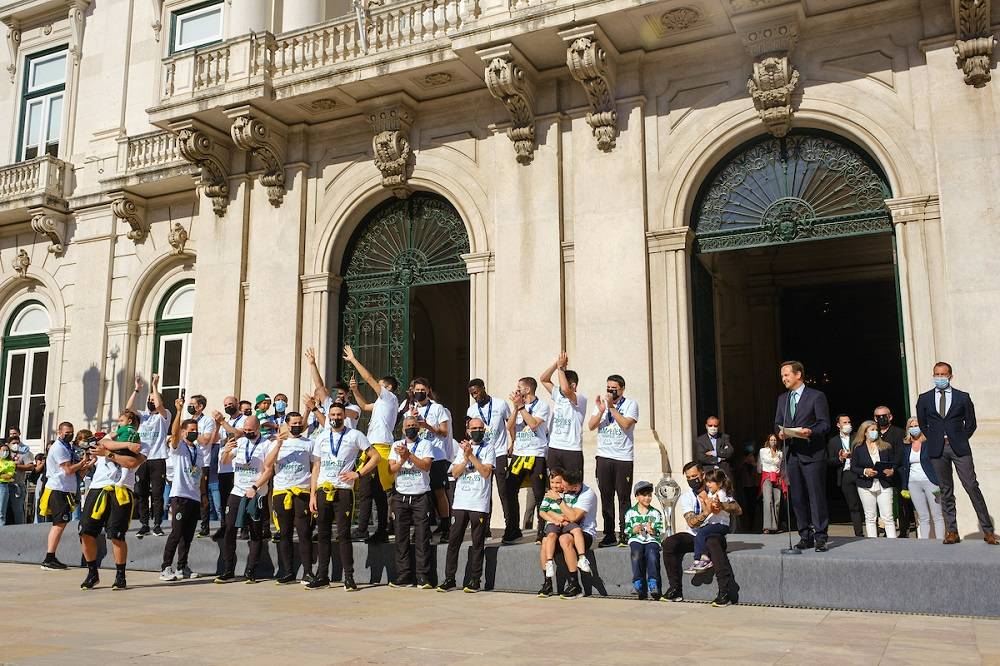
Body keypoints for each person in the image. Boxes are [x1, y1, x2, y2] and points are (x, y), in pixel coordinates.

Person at [916, 362, 996, 545]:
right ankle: (952, 531)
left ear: (950, 376)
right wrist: (935, 438)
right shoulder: (925, 398)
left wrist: (959, 438)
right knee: (946, 490)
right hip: (938, 449)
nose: (940, 377)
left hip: (959, 448)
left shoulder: (962, 397)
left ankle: (988, 530)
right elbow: (923, 423)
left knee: (971, 485)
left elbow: (971, 423)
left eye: (943, 374)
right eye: (937, 374)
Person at [308, 403, 380, 591]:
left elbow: (375, 457)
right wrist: (312, 495)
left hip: (343, 491)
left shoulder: (355, 435)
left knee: (343, 534)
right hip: (324, 489)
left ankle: (349, 576)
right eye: (332, 414)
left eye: (339, 414)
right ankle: (322, 575)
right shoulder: (322, 437)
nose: (335, 417)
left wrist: (358, 473)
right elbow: (316, 466)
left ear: (344, 416)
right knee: (323, 534)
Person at [78, 411, 146, 590]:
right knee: (85, 531)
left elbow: (131, 463)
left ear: (131, 423)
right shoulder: (114, 437)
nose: (118, 424)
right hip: (98, 488)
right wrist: (123, 446)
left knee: (116, 535)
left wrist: (109, 454)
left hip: (121, 491)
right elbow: (103, 443)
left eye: (121, 421)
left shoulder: (142, 443)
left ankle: (120, 576)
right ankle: (92, 572)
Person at [661, 462, 740, 607]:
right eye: (688, 477)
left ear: (703, 475)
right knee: (669, 543)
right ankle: (675, 589)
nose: (692, 480)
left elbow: (737, 508)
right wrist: (706, 511)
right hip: (693, 535)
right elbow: (691, 522)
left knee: (713, 542)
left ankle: (724, 592)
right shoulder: (686, 497)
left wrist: (722, 506)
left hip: (713, 532)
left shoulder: (716, 489)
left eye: (695, 476)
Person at [343, 344, 399, 544]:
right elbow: (364, 406)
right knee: (367, 489)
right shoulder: (381, 403)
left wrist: (353, 360)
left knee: (380, 491)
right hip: (371, 448)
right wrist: (356, 390)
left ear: (389, 387)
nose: (378, 386)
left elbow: (368, 378)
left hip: (382, 449)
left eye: (381, 384)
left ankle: (379, 528)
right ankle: (363, 528)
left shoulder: (390, 398)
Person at [773, 360, 831, 551]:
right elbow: (777, 423)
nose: (784, 379)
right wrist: (779, 433)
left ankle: (820, 536)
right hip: (792, 454)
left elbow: (824, 424)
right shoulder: (783, 399)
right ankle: (804, 535)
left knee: (815, 495)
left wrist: (810, 431)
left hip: (812, 453)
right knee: (797, 497)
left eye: (787, 375)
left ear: (798, 375)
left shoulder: (816, 396)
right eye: (782, 376)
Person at [437, 417, 495, 593]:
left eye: (480, 428)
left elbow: (485, 472)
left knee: (478, 543)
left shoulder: (488, 448)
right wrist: (464, 457)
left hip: (479, 503)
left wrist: (471, 456)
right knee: (454, 541)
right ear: (468, 430)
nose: (477, 431)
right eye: (474, 428)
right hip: (461, 502)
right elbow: (454, 473)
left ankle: (475, 580)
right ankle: (449, 578)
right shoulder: (461, 449)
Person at [216, 415, 274, 583]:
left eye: (251, 430)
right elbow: (225, 461)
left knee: (255, 532)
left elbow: (268, 471)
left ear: (258, 429)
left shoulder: (267, 445)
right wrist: (226, 451)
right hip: (237, 491)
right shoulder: (240, 442)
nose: (247, 433)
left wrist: (255, 488)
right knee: (229, 529)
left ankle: (251, 570)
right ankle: (228, 569)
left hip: (256, 493)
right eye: (245, 430)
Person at [160, 403, 211, 581]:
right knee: (176, 532)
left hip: (194, 496)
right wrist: (179, 411)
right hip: (180, 495)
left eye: (196, 430)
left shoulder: (198, 450)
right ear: (183, 432)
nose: (194, 432)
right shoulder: (179, 447)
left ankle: (182, 567)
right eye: (191, 429)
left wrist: (203, 495)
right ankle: (166, 567)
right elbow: (174, 434)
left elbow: (201, 475)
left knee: (187, 535)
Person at [587, 373, 639, 548]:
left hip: (623, 457)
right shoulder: (602, 404)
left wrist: (611, 408)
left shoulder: (631, 404)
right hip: (604, 457)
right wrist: (602, 410)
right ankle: (609, 534)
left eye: (613, 389)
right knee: (606, 496)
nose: (609, 391)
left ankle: (625, 532)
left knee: (623, 497)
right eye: (608, 388)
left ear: (622, 389)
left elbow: (626, 424)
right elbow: (591, 426)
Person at [265, 412, 314, 584]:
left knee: (304, 532)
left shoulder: (309, 443)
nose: (297, 426)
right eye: (293, 423)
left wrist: (313, 492)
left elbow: (315, 466)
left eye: (299, 423)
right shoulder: (276, 442)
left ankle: (308, 571)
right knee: (284, 533)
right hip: (281, 492)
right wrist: (278, 444)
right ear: (286, 424)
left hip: (302, 491)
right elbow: (267, 464)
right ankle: (287, 571)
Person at [387, 415, 435, 589]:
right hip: (400, 496)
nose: (411, 428)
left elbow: (426, 466)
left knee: (422, 537)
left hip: (420, 495)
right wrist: (401, 459)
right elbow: (391, 469)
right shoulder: (396, 445)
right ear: (402, 429)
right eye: (408, 426)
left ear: (419, 428)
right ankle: (404, 575)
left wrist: (409, 455)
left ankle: (423, 576)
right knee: (401, 537)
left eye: (414, 425)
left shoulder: (425, 445)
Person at [536, 468, 598, 599]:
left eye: (564, 485)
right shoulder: (563, 492)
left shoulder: (587, 494)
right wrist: (553, 515)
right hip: (561, 526)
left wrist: (558, 501)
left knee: (565, 539)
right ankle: (547, 582)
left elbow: (573, 517)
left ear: (575, 487)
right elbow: (546, 510)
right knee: (546, 541)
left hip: (583, 532)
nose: (561, 487)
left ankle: (575, 584)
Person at [503, 377, 551, 544]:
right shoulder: (518, 406)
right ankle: (513, 528)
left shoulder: (542, 406)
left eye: (520, 388)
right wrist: (516, 408)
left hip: (535, 454)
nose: (517, 390)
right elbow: (509, 427)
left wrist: (522, 407)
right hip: (519, 454)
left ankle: (542, 529)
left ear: (528, 389)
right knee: (509, 491)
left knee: (539, 493)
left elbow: (533, 424)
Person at [39, 422, 91, 570]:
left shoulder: (67, 447)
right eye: (67, 432)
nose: (70, 434)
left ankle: (51, 557)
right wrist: (82, 462)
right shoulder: (59, 447)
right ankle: (49, 558)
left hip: (66, 489)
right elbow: (68, 470)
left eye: (71, 432)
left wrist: (87, 464)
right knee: (59, 524)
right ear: (59, 432)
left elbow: (75, 473)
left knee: (60, 524)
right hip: (57, 490)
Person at [406, 377, 452, 543]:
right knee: (422, 493)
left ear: (428, 390)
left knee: (439, 491)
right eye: (416, 390)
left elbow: (444, 431)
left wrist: (426, 425)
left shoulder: (438, 408)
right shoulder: (411, 410)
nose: (419, 392)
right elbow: (408, 431)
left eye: (422, 390)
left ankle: (446, 527)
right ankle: (422, 529)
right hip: (418, 455)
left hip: (437, 455)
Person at [126, 374, 171, 539]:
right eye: (149, 399)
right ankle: (144, 524)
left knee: (157, 494)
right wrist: (137, 390)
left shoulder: (164, 415)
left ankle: (157, 524)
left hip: (158, 458)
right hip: (142, 459)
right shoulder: (143, 416)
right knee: (142, 493)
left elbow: (159, 405)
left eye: (153, 399)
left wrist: (154, 386)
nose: (151, 401)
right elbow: (128, 408)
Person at [466, 379, 511, 530]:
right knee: (485, 491)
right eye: (472, 394)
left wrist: (514, 443)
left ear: (483, 388)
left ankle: (509, 526)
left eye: (476, 392)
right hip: (483, 454)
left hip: (499, 452)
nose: (475, 396)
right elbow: (469, 432)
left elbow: (510, 425)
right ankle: (485, 528)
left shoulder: (500, 404)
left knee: (504, 491)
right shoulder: (471, 410)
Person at [850, 420, 901, 538]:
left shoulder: (886, 446)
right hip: (866, 485)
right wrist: (865, 471)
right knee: (870, 517)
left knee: (888, 516)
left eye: (876, 430)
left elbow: (893, 463)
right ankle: (873, 544)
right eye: (872, 430)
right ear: (865, 433)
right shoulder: (858, 448)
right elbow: (853, 467)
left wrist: (892, 470)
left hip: (884, 483)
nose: (875, 432)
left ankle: (893, 543)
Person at [540, 352, 587, 476]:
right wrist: (556, 365)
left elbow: (566, 390)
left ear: (573, 385)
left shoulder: (580, 398)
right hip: (554, 447)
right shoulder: (558, 394)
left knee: (572, 486)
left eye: (562, 384)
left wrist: (561, 369)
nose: (559, 388)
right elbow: (544, 379)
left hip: (571, 450)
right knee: (554, 485)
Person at [899, 416, 945, 540]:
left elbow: (938, 463)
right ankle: (924, 543)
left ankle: (940, 542)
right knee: (923, 516)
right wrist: (905, 486)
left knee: (937, 515)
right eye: (911, 426)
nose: (914, 428)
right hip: (913, 484)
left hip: (931, 482)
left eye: (916, 426)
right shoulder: (906, 446)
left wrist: (939, 483)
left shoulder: (929, 443)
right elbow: (904, 467)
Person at [874, 405, 912, 537]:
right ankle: (883, 528)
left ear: (890, 417)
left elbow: (901, 453)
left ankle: (903, 530)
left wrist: (893, 468)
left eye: (884, 416)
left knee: (901, 504)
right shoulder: (873, 433)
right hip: (878, 475)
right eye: (878, 417)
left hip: (896, 473)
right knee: (882, 503)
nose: (881, 419)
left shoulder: (898, 432)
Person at [685, 468, 732, 573]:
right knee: (702, 534)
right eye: (707, 482)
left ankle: (701, 559)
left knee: (701, 534)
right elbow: (707, 509)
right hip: (714, 523)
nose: (708, 484)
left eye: (711, 482)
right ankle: (701, 558)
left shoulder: (721, 494)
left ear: (719, 483)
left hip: (721, 524)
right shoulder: (712, 493)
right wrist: (705, 503)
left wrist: (707, 501)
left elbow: (715, 511)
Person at [624, 480, 663, 600]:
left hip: (651, 540)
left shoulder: (655, 513)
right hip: (637, 539)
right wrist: (634, 530)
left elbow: (659, 530)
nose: (647, 498)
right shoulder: (630, 513)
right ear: (637, 496)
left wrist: (653, 530)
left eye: (649, 495)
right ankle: (637, 583)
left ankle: (653, 583)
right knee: (636, 554)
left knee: (652, 554)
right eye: (644, 495)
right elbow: (627, 530)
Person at [825, 414, 862, 537]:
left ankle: (875, 529)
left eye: (849, 422)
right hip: (845, 475)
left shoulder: (857, 437)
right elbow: (829, 461)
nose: (848, 425)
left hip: (860, 473)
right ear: (838, 425)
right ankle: (859, 534)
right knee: (853, 505)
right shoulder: (833, 441)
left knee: (867, 504)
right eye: (845, 422)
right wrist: (840, 458)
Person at [758, 434, 785, 534]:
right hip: (767, 476)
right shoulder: (763, 451)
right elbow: (763, 463)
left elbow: (780, 466)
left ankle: (775, 526)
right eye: (771, 440)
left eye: (775, 440)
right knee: (767, 500)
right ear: (768, 441)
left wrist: (781, 477)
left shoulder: (780, 453)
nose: (773, 441)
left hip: (777, 477)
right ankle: (767, 526)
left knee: (777, 501)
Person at [0, 442, 16, 526]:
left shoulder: (11, 463)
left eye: (7, 450)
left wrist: (3, 474)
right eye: (3, 450)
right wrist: (2, 473)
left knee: (1, 510)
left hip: (3, 486)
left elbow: (9, 476)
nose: (5, 452)